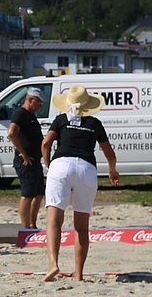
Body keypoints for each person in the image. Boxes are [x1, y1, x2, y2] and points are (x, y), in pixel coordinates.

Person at [40, 86, 120, 282]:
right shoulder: (94, 123)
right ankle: (79, 274)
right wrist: (112, 170)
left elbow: (45, 144)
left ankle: (53, 264)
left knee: (54, 220)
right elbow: (109, 152)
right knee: (81, 227)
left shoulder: (60, 119)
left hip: (61, 165)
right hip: (86, 169)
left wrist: (49, 164)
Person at [7, 87, 46, 228]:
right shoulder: (20, 113)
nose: (41, 105)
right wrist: (23, 153)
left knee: (40, 193)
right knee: (28, 194)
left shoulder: (31, 115)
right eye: (39, 102)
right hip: (25, 161)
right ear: (30, 99)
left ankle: (32, 224)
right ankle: (25, 227)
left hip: (35, 160)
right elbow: (11, 133)